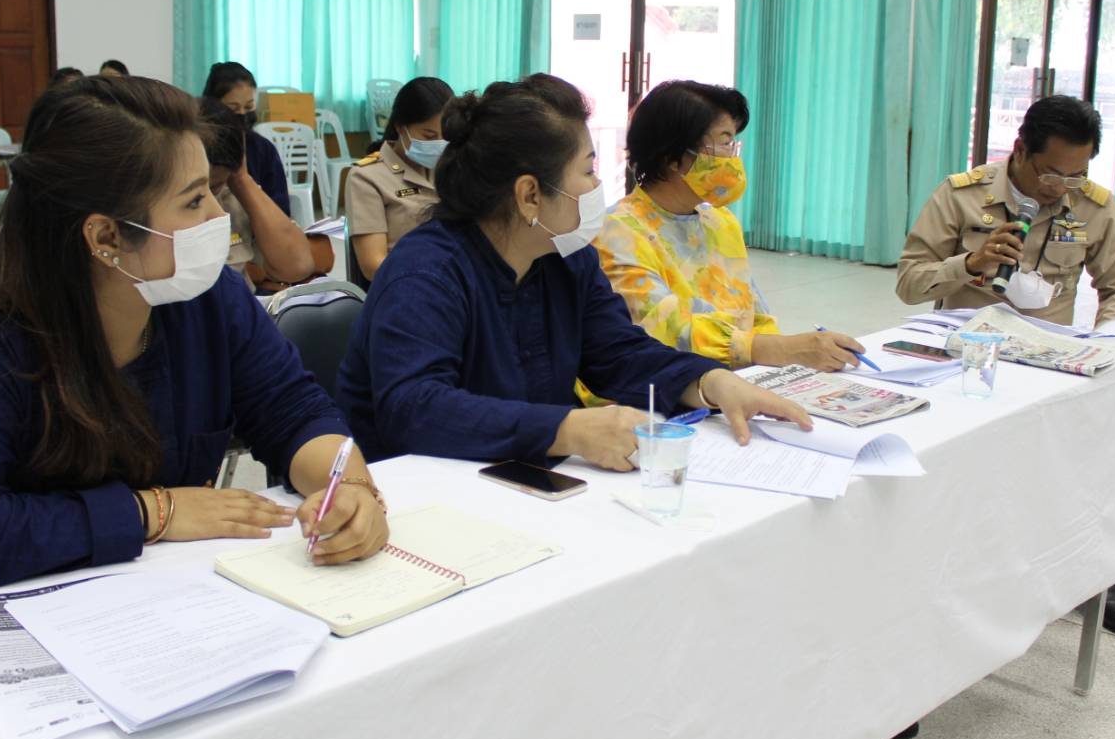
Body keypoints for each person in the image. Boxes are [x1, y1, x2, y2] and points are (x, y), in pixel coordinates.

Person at [0, 76, 389, 597]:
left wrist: (346, 485)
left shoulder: (208, 300)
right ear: (105, 237)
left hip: (173, 601)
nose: (219, 219)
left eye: (213, 193)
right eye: (193, 203)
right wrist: (151, 511)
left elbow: (294, 411)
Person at [337, 73, 812, 470]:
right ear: (529, 196)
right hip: (425, 492)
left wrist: (708, 381)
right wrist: (566, 429)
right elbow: (415, 409)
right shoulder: (426, 272)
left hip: (527, 476)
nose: (597, 187)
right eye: (587, 172)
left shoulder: (566, 256)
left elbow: (617, 353)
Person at [896, 94, 1115, 634]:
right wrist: (970, 263)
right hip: (963, 361)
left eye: (1077, 175)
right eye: (1053, 172)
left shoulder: (1095, 206)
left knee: (1085, 452)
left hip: (1047, 361)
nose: (1062, 186)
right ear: (1021, 150)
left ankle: (1093, 566)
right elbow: (909, 283)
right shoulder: (963, 196)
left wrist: (1105, 340)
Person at [596, 80, 866, 373]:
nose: (733, 159)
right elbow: (663, 331)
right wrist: (777, 349)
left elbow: (756, 318)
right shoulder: (617, 232)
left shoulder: (721, 223)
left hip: (744, 382)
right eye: (725, 143)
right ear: (673, 157)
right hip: (672, 393)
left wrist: (788, 362)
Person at [200, 98, 316, 291]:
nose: (213, 208)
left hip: (238, 308)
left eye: (214, 187)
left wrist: (242, 181)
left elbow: (298, 266)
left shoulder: (234, 190)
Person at [346, 76, 453, 283]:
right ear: (400, 127)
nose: (439, 144)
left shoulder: (450, 169)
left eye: (445, 136)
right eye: (429, 136)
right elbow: (373, 266)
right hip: (407, 288)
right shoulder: (367, 178)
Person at [202, 62, 291, 217]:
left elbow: (281, 211)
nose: (242, 115)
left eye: (249, 107)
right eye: (233, 109)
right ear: (213, 106)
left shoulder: (263, 149)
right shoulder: (197, 148)